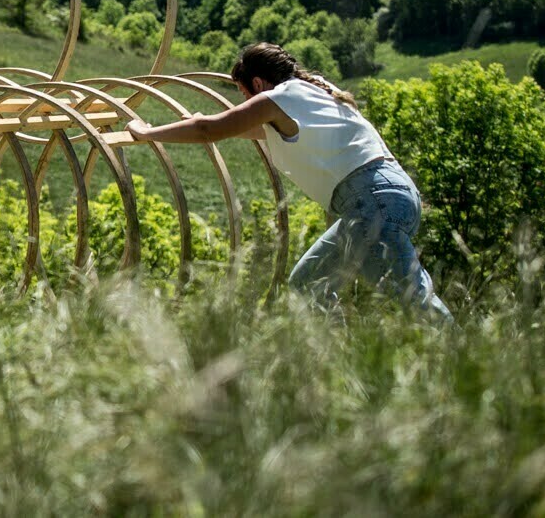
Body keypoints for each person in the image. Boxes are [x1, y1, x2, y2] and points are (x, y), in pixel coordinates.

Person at [125, 42, 451, 319]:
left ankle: (472, 372)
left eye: (243, 95)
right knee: (307, 286)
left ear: (258, 83)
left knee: (417, 306)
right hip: (389, 196)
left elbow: (210, 131)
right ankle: (333, 367)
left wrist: (147, 132)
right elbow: (235, 129)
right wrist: (199, 121)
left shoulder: (276, 99)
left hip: (372, 205)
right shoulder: (315, 90)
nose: (245, 104)